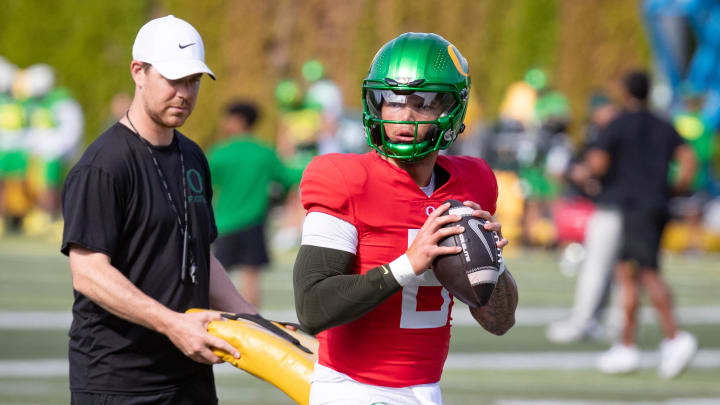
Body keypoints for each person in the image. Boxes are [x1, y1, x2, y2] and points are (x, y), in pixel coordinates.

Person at [293, 33, 518, 404]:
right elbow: (312, 307)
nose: (404, 117)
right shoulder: (344, 179)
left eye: (423, 103)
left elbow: (499, 322)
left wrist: (492, 261)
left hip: (427, 389)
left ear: (452, 110)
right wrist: (407, 265)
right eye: (392, 102)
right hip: (353, 388)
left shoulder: (473, 182)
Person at [60, 15, 257, 404]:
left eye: (193, 81)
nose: (184, 93)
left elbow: (201, 255)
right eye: (174, 79)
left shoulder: (193, 156)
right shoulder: (103, 165)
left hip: (189, 375)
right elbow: (88, 273)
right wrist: (172, 325)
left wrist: (254, 320)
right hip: (117, 380)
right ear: (139, 72)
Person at [591, 71, 697, 379]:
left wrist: (590, 175)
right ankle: (627, 346)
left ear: (626, 92)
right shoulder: (663, 123)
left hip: (635, 207)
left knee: (647, 273)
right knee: (628, 272)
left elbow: (598, 162)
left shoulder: (618, 122)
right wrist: (675, 188)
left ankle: (676, 337)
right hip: (655, 204)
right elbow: (688, 159)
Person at [209, 101, 301, 307]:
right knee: (251, 279)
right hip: (253, 223)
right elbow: (288, 177)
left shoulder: (220, 153)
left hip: (225, 224)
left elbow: (201, 182)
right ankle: (252, 326)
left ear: (238, 121)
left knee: (216, 278)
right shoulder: (265, 153)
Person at [547, 92, 621, 343]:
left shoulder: (611, 133)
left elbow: (595, 167)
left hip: (612, 207)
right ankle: (609, 322)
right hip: (616, 205)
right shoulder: (596, 134)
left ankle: (588, 321)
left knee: (601, 268)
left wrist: (587, 175)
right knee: (615, 269)